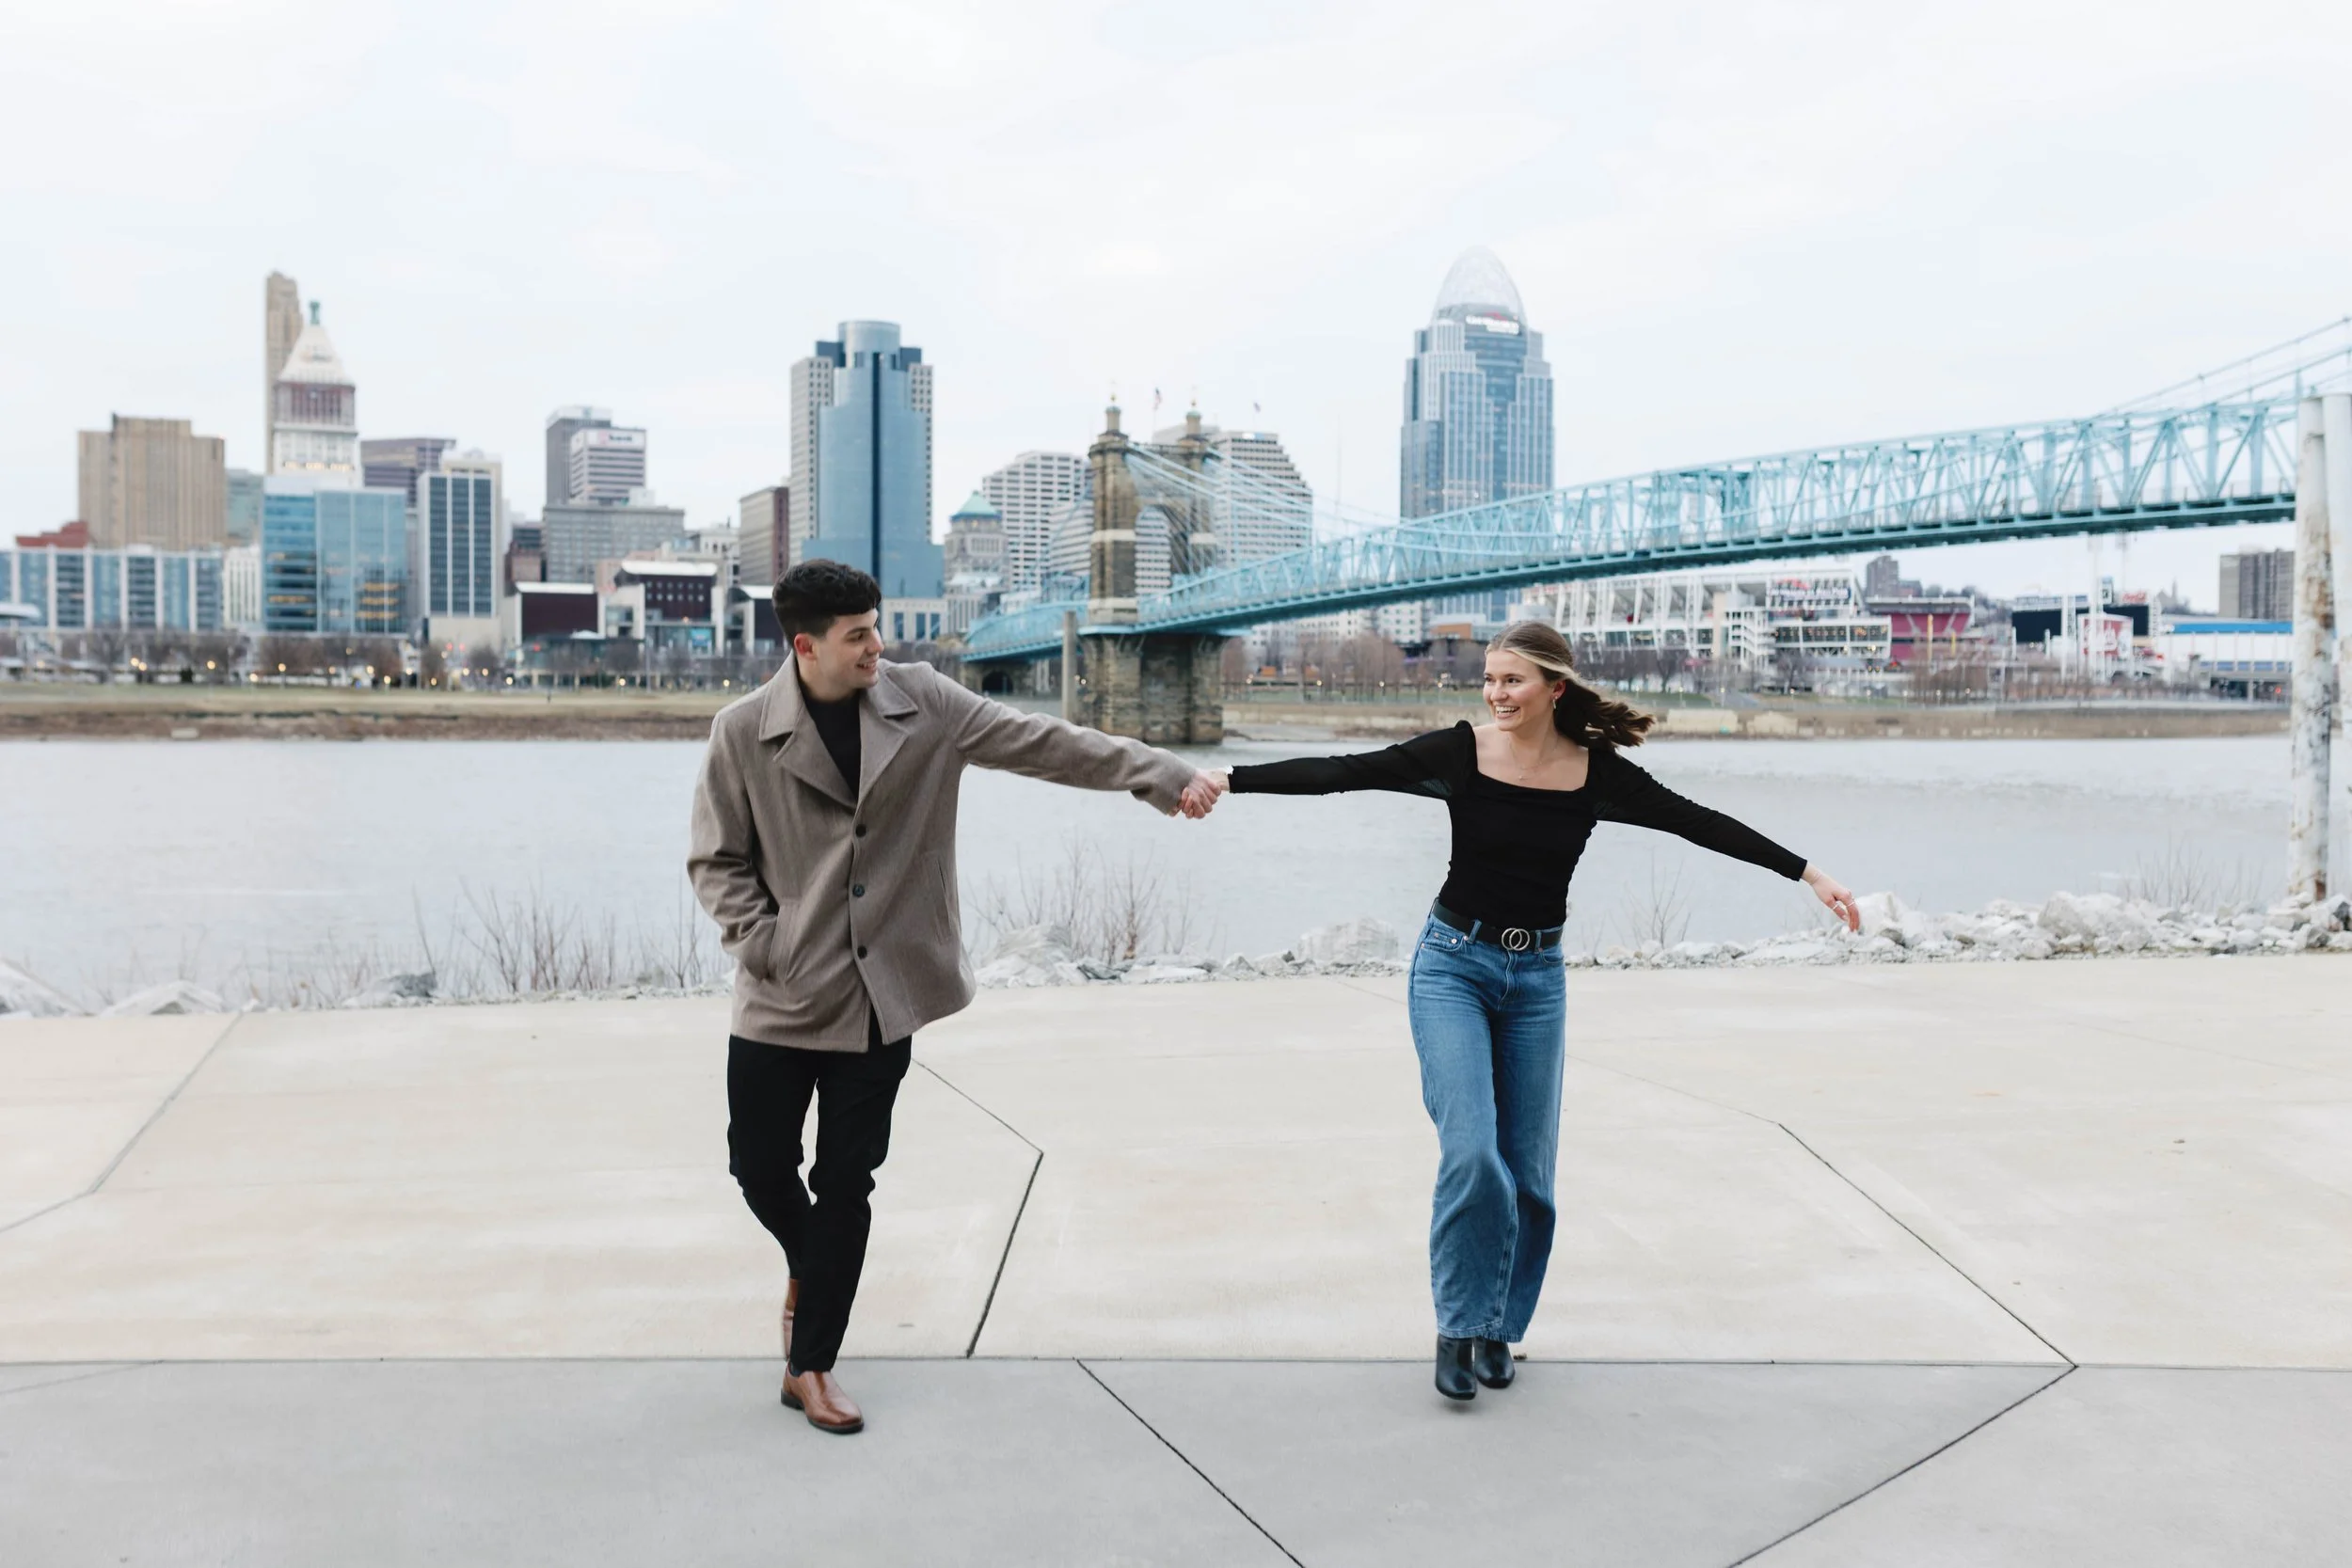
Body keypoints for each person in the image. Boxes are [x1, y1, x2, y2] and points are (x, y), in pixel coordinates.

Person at [1196, 621, 1858, 1402]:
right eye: (1489, 679)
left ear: (1555, 688)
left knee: (1531, 1179)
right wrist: (1229, 779)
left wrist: (1809, 873)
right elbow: (1344, 771)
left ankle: (1498, 1328)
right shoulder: (1459, 752)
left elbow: (1698, 822)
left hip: (1538, 979)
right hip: (1452, 967)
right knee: (1474, 1154)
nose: (1495, 693)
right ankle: (1456, 1325)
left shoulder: (1595, 773)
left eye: (1511, 681)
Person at [689, 561, 1223, 1433]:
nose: (877, 645)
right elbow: (718, 862)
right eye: (858, 633)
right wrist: (766, 944)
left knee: (847, 1182)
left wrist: (1155, 772)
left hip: (883, 992)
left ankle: (810, 1364)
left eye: (876, 627)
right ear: (805, 645)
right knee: (758, 1168)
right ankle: (812, 1264)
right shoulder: (741, 731)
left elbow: (1041, 741)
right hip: (782, 995)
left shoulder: (923, 701)